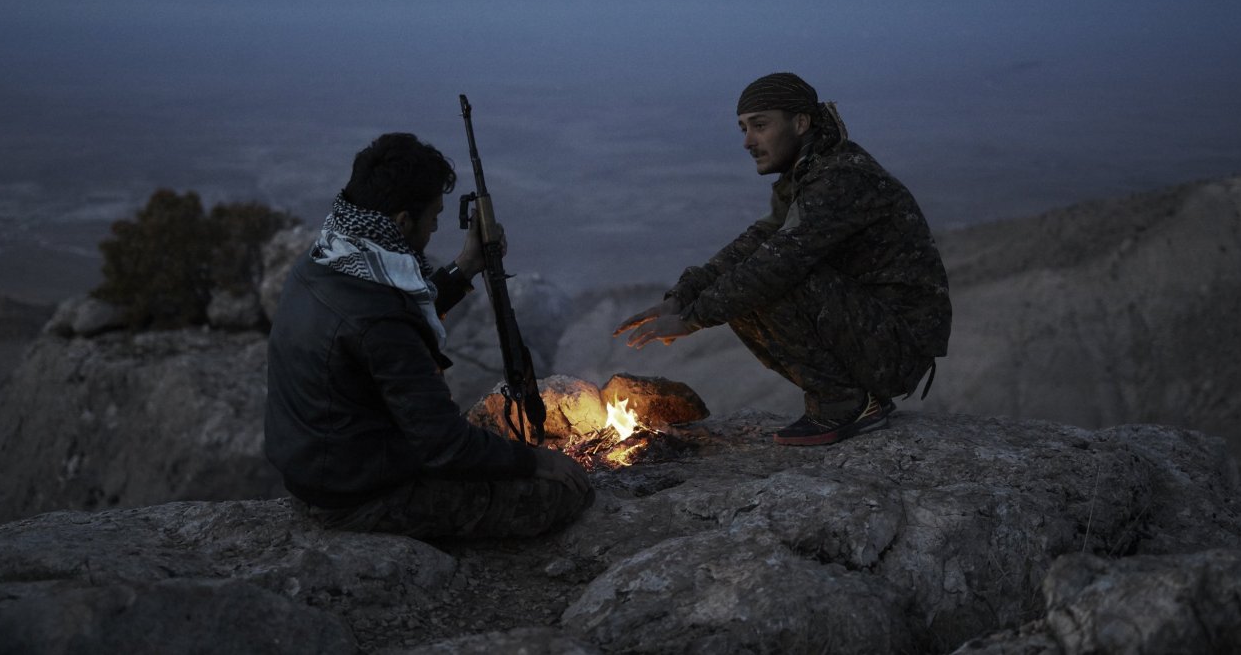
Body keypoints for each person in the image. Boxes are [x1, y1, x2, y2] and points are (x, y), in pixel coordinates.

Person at [265, 132, 592, 538]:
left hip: (323, 470)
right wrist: (537, 463)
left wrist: (467, 266)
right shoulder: (379, 317)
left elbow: (393, 319)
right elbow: (445, 446)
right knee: (564, 493)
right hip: (358, 498)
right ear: (402, 221)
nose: (436, 227)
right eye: (433, 218)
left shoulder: (328, 258)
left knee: (492, 443)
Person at [615, 73, 952, 446]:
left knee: (767, 281)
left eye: (760, 126)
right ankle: (846, 397)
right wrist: (681, 297)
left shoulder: (841, 176)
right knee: (741, 287)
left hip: (896, 347)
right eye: (743, 128)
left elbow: (777, 264)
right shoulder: (807, 172)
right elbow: (756, 242)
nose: (747, 141)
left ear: (801, 122)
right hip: (874, 334)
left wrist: (693, 319)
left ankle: (847, 403)